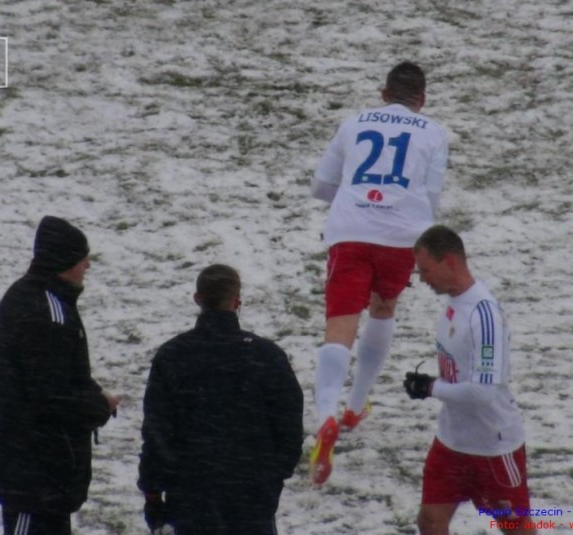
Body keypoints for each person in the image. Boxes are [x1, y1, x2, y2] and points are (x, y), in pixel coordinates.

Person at [309, 60, 449, 484]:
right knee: (383, 309)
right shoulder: (434, 132)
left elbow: (321, 186)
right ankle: (355, 406)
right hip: (402, 234)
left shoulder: (354, 123)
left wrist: (357, 195)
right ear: (422, 100)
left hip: (351, 230)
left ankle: (325, 416)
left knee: (340, 323)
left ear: (383, 94)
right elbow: (431, 197)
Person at [137, 264, 304, 535]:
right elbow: (289, 425)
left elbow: (158, 431)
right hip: (252, 494)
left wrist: (152, 492)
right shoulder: (266, 356)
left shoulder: (173, 356)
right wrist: (273, 476)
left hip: (190, 494)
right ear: (237, 302)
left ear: (197, 299)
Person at [0, 215, 120, 535]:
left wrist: (93, 394)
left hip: (40, 474)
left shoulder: (40, 300)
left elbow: (58, 377)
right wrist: (98, 406)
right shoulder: (48, 313)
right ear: (63, 261)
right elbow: (51, 395)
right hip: (35, 475)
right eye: (82, 258)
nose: (87, 265)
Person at [403, 225, 537, 535]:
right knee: (430, 522)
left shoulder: (484, 315)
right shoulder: (453, 305)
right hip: (451, 441)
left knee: (514, 527)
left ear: (449, 261)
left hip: (492, 446)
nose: (422, 279)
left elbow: (483, 391)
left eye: (425, 270)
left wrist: (430, 387)